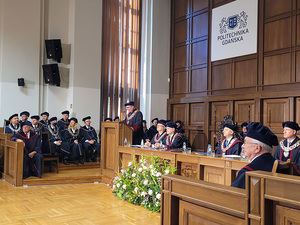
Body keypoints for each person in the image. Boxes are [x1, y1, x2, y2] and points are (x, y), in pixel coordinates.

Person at [231, 122, 277, 189]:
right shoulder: (277, 164)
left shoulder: (247, 172)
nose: (242, 146)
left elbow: (232, 196)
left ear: (257, 148)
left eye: (246, 142)